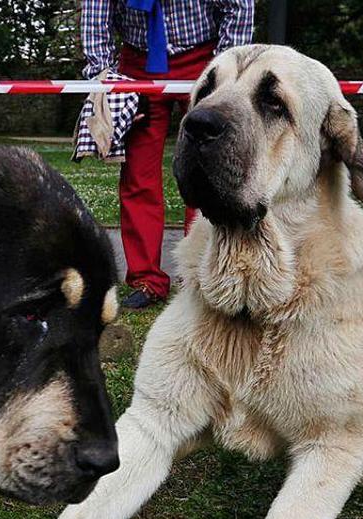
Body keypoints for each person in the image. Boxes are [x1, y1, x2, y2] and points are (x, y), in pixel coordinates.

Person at [82, 0, 253, 308]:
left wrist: (228, 71)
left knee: (209, 171)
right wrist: (105, 80)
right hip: (137, 65)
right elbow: (96, 16)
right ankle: (146, 279)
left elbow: (239, 6)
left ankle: (200, 273)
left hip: (204, 59)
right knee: (138, 175)